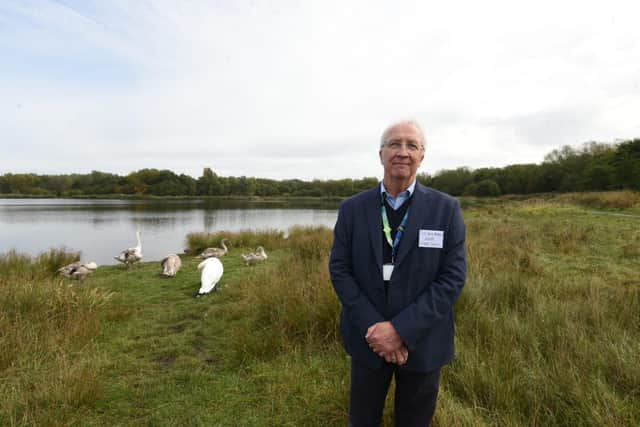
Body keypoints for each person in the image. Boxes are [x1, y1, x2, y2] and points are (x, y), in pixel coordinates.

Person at [329, 120, 467, 426]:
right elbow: (340, 270)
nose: (402, 152)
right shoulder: (352, 209)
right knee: (363, 420)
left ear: (422, 157)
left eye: (412, 145)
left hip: (424, 343)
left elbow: (452, 278)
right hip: (368, 340)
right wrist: (376, 330)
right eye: (394, 144)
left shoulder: (446, 209)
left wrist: (400, 331)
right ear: (380, 154)